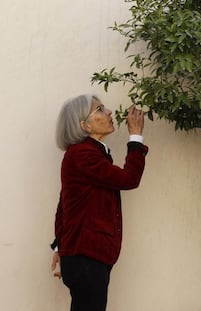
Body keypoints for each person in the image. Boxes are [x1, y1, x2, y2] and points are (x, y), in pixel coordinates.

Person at [50, 94, 148, 311]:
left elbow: (63, 205)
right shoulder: (83, 154)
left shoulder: (88, 153)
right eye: (100, 109)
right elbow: (129, 179)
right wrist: (135, 138)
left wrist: (61, 245)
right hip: (86, 257)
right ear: (84, 125)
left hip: (84, 256)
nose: (109, 112)